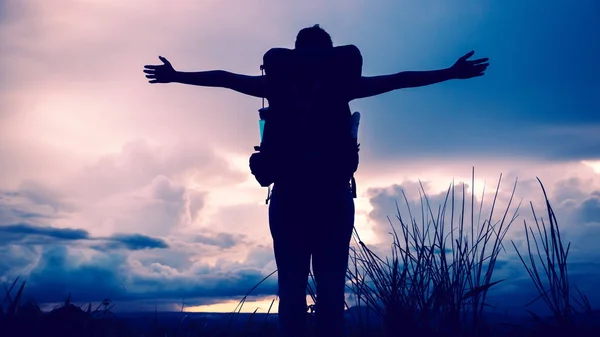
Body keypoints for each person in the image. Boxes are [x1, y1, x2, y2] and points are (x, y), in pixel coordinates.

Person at [143, 24, 489, 337]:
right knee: (331, 285)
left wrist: (177, 75)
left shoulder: (275, 87)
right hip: (334, 197)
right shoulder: (343, 87)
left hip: (288, 197)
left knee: (291, 286)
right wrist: (450, 72)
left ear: (294, 53)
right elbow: (401, 78)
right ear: (331, 53)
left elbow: (224, 77)